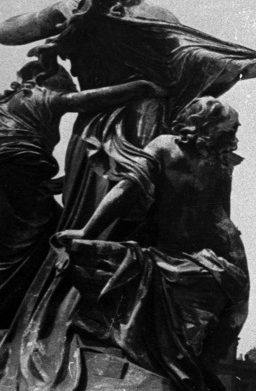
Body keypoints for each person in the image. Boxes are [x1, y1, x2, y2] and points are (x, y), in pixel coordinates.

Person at [0, 0, 256, 391]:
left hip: (97, 129)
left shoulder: (79, 8)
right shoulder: (147, 17)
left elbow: (8, 31)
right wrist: (253, 67)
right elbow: (192, 59)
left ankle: (99, 333)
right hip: (138, 123)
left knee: (109, 220)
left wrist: (63, 24)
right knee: (134, 223)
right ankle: (113, 339)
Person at [49, 97, 250, 391]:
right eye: (227, 130)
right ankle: (184, 370)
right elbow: (127, 189)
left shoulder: (219, 163)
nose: (232, 137)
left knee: (236, 298)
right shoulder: (164, 146)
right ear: (203, 125)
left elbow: (221, 215)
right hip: (160, 251)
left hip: (198, 255)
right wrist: (88, 231)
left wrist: (234, 255)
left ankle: (200, 367)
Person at [0, 75, 166, 331]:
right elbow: (86, 101)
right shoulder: (39, 96)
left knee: (22, 242)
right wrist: (141, 86)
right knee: (36, 240)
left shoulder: (8, 104)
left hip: (18, 178)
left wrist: (58, 182)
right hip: (17, 176)